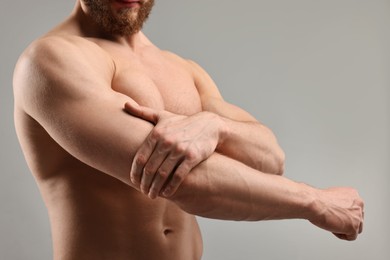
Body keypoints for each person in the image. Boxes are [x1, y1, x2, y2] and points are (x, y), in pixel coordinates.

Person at [13, 0, 364, 259]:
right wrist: (314, 201)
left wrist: (215, 127)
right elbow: (177, 180)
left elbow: (269, 158)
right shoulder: (50, 60)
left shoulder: (181, 68)